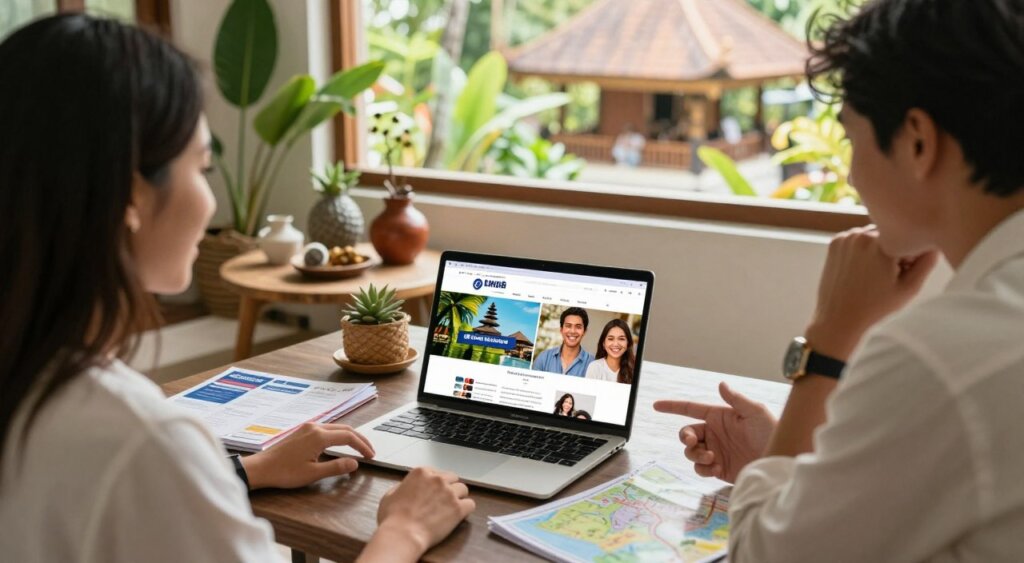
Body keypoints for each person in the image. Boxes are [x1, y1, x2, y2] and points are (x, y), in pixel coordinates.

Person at [0, 14, 473, 562]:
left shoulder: (33, 383)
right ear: (132, 198)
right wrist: (404, 531)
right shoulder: (142, 440)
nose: (208, 202)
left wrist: (242, 471)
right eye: (201, 167)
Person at [654, 1, 1024, 561]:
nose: (851, 177)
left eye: (852, 140)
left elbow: (762, 553)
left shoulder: (938, 356)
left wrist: (829, 336)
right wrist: (789, 462)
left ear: (918, 141)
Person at [533, 307, 593, 376]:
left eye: (578, 327)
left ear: (584, 332)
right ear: (561, 330)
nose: (572, 331)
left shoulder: (592, 364)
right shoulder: (543, 358)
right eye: (568, 326)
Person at [585, 319, 635, 384]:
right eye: (611, 339)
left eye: (621, 339)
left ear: (628, 343)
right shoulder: (595, 367)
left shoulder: (633, 371)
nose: (616, 344)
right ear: (603, 343)